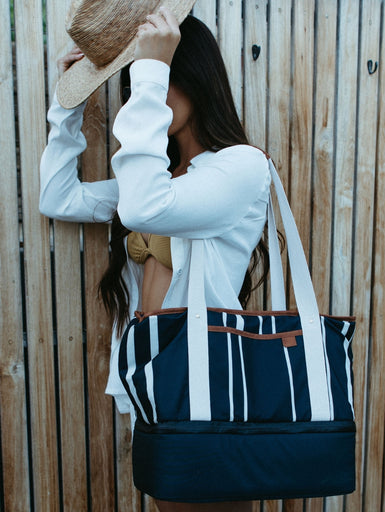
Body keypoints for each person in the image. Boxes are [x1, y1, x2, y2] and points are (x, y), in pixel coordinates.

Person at [39, 5, 268, 512]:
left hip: (205, 383)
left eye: (162, 78)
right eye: (141, 86)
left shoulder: (241, 168)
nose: (147, 98)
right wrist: (68, 105)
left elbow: (145, 207)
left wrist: (149, 69)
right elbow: (57, 198)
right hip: (152, 375)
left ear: (193, 77)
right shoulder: (155, 179)